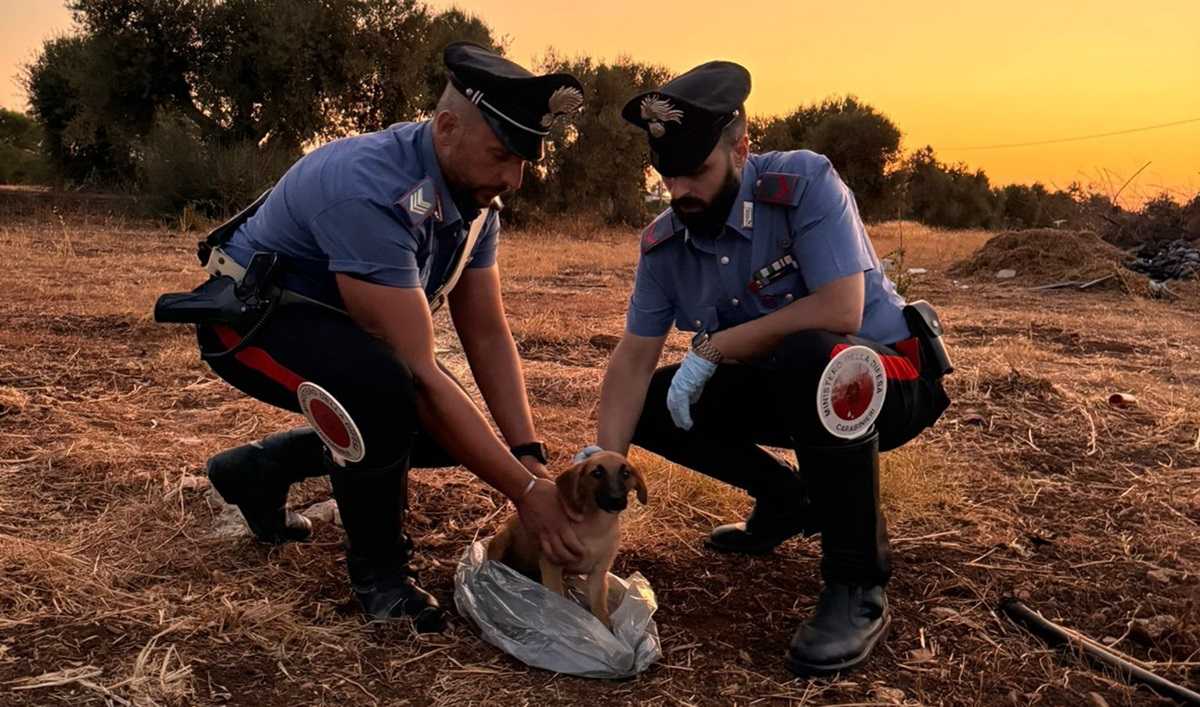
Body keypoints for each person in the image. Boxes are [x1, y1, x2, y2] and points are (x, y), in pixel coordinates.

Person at [176, 42, 589, 632]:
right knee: (386, 393)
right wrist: (525, 494)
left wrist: (528, 458)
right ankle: (381, 576)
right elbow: (416, 373)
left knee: (461, 435)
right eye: (502, 154)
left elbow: (488, 332)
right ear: (446, 127)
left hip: (338, 329)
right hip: (250, 327)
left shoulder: (474, 199)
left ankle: (259, 471)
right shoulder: (370, 187)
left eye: (524, 161)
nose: (513, 179)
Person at [576, 61, 951, 675]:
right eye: (669, 176)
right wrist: (599, 465)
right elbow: (632, 359)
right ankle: (788, 499)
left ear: (741, 150)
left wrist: (714, 348)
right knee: (647, 402)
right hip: (794, 387)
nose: (680, 192)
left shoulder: (803, 183)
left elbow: (840, 307)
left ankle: (857, 583)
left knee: (813, 353)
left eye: (696, 172)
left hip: (889, 376)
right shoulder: (667, 242)